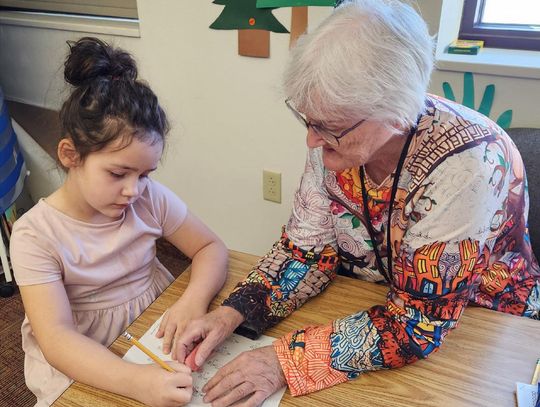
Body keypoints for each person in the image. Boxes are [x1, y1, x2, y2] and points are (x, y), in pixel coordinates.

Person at [172, 1, 540, 406]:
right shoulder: (337, 140)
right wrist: (233, 314)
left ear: (395, 115)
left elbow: (417, 324)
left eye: (327, 127)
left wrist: (282, 362)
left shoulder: (468, 167)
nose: (311, 140)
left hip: (482, 323)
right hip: (373, 308)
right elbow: (305, 252)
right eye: (307, 120)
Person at [9, 37, 228, 407]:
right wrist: (137, 382)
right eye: (118, 173)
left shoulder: (149, 196)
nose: (133, 190)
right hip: (84, 354)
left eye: (144, 174)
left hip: (153, 321)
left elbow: (210, 248)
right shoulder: (35, 235)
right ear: (70, 155)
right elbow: (58, 339)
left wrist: (193, 300)